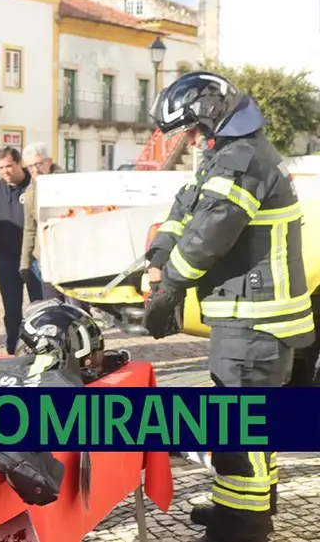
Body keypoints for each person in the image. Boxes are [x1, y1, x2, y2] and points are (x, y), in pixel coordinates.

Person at [142, 71, 314, 542]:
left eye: (195, 129)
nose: (194, 140)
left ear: (213, 114)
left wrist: (171, 287)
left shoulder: (243, 159)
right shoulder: (228, 156)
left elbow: (209, 233)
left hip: (257, 324)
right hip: (245, 320)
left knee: (242, 432)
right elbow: (185, 211)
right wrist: (158, 263)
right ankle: (233, 507)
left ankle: (243, 527)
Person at [0, 146, 42, 355]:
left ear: (19, 164)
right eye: (1, 168)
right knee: (11, 309)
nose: (6, 171)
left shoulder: (34, 186)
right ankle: (12, 350)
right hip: (6, 259)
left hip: (35, 259)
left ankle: (42, 347)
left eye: (9, 166)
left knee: (40, 305)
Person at [19, 143, 66, 301]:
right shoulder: (30, 192)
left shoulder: (67, 183)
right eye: (30, 167)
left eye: (38, 164)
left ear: (49, 162)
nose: (35, 170)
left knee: (76, 309)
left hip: (69, 257)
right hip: (46, 260)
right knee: (51, 304)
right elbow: (29, 229)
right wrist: (24, 263)